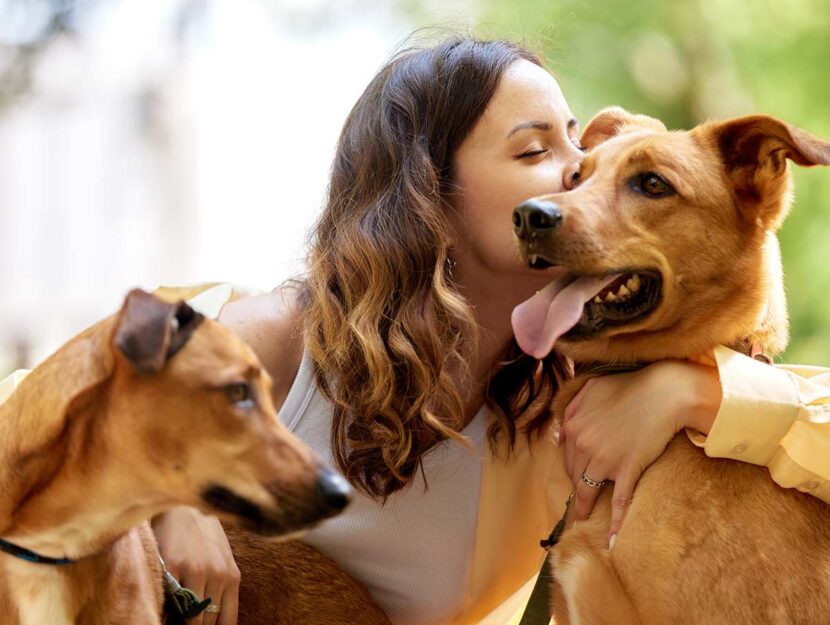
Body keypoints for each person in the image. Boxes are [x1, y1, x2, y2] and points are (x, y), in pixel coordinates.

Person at [3, 36, 828, 625]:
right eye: (537, 150)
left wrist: (699, 388)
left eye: (579, 151)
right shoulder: (279, 340)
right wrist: (165, 501)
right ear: (431, 190)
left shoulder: (566, 405)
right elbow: (42, 436)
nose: (574, 183)